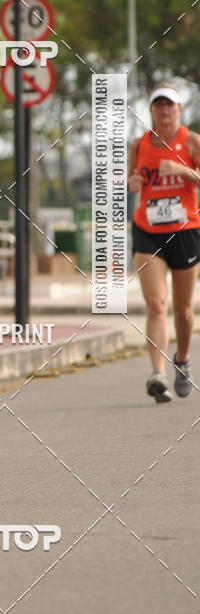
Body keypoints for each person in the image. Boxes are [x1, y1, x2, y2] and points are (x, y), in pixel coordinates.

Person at [128, 84, 200, 403]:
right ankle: (157, 373)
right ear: (152, 111)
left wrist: (183, 170)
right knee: (156, 304)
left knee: (183, 310)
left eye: (170, 105)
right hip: (148, 229)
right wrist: (130, 183)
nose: (164, 110)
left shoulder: (192, 140)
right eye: (158, 105)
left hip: (186, 230)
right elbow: (129, 181)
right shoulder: (139, 144)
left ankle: (181, 360)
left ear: (179, 110)